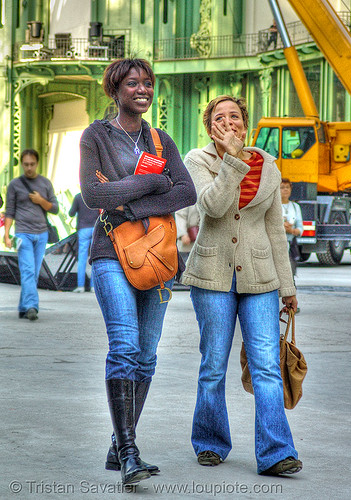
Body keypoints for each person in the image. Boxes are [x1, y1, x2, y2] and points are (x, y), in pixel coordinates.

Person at [79, 58, 196, 485]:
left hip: (158, 257)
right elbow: (93, 193)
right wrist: (151, 183)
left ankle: (118, 444)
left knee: (146, 356)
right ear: (115, 90)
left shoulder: (162, 140)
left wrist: (130, 204)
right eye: (133, 83)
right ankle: (129, 452)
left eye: (147, 83)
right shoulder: (96, 136)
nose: (142, 89)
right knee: (125, 345)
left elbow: (186, 190)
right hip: (110, 251)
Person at [181, 95, 302, 476]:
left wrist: (288, 285)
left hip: (261, 278)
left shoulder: (267, 164)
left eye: (235, 116)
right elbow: (212, 208)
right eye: (220, 117)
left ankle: (276, 451)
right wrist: (232, 160)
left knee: (266, 365)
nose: (229, 122)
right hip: (212, 275)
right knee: (213, 364)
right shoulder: (197, 160)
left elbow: (273, 229)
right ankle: (211, 442)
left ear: (246, 123)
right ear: (209, 127)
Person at [4, 149, 59, 320]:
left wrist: (41, 201)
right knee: (27, 271)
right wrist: (6, 235)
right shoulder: (15, 185)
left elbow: (55, 208)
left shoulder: (45, 183)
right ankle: (32, 307)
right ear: (22, 164)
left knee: (33, 273)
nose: (29, 168)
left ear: (37, 164)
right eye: (26, 164)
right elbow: (10, 211)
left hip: (41, 234)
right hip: (22, 234)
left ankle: (23, 306)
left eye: (32, 164)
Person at [68, 192, 98, 292]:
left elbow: (71, 213)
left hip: (83, 228)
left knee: (82, 258)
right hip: (95, 228)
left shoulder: (78, 197)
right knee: (94, 258)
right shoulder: (95, 195)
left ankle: (80, 286)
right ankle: (94, 286)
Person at [280, 178, 304, 278]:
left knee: (290, 277)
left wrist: (292, 231)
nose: (285, 190)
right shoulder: (273, 206)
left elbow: (300, 228)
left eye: (287, 187)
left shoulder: (295, 207)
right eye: (282, 187)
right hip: (277, 246)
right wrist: (281, 226)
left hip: (290, 247)